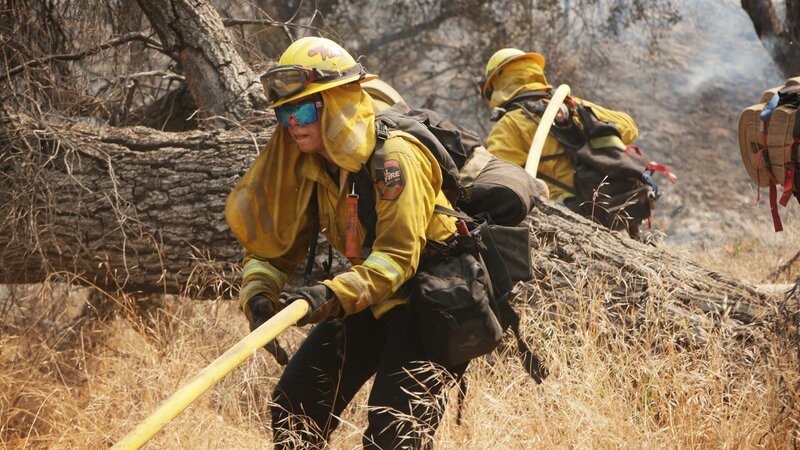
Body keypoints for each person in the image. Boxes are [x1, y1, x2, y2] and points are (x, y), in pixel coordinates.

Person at [225, 36, 466, 449]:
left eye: (302, 108)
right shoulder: (312, 161)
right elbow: (272, 245)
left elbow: (395, 261)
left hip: (432, 304)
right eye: (284, 113)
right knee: (296, 405)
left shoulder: (396, 158)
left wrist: (329, 295)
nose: (293, 123)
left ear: (337, 104)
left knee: (394, 436)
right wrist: (259, 292)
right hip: (374, 299)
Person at [479, 48, 643, 235]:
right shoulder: (571, 105)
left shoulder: (508, 126)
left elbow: (502, 185)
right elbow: (630, 128)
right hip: (615, 199)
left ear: (496, 84)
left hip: (566, 213)